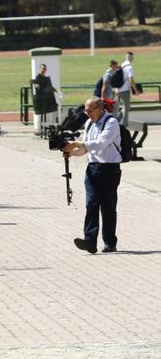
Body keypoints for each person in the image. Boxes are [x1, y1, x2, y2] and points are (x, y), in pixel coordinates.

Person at [62, 97, 122, 254]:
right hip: (93, 168)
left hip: (110, 169)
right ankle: (90, 241)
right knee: (91, 204)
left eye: (90, 110)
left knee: (108, 207)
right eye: (86, 111)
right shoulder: (89, 123)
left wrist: (77, 144)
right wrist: (72, 153)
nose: (88, 114)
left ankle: (110, 242)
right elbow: (87, 148)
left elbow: (102, 143)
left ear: (100, 108)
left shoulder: (111, 122)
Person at [32, 64, 59, 136]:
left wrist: (57, 92)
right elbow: (36, 84)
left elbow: (50, 87)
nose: (43, 70)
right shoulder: (38, 77)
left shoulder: (46, 78)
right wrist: (37, 86)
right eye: (42, 69)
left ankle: (51, 128)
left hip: (46, 99)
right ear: (40, 69)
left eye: (45, 69)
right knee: (39, 115)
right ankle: (38, 130)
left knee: (51, 111)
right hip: (40, 100)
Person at [116, 52, 138, 127]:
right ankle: (125, 125)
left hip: (117, 90)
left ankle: (117, 121)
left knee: (123, 107)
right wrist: (136, 90)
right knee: (127, 108)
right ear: (132, 58)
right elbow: (131, 80)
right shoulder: (130, 67)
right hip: (125, 90)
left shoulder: (122, 65)